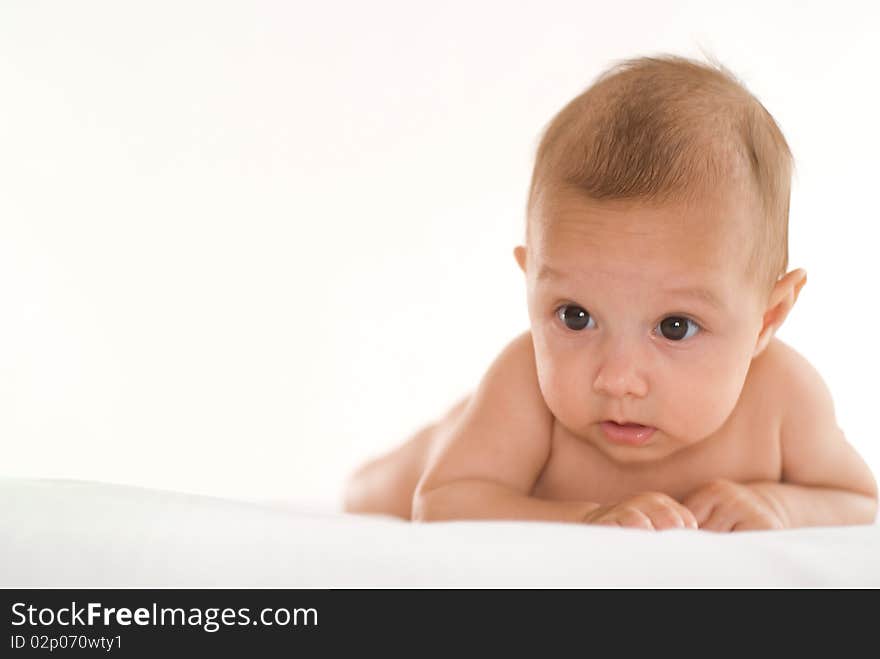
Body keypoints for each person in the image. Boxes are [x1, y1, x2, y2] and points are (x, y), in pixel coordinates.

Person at [343, 54, 878, 531]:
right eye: (575, 317)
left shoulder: (784, 399)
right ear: (532, 282)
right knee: (373, 490)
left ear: (767, 318)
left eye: (675, 327)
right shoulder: (525, 386)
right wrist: (587, 518)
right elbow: (440, 503)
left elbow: (857, 499)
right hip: (456, 448)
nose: (617, 379)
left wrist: (782, 506)